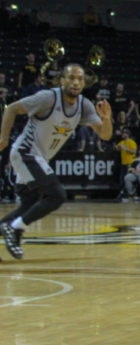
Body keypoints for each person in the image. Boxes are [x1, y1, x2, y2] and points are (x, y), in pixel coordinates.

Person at [0, 64, 112, 260]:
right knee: (57, 195)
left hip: (39, 158)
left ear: (84, 83)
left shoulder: (84, 105)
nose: (76, 82)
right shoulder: (48, 98)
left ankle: (10, 226)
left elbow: (104, 135)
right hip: (25, 153)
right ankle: (14, 229)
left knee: (29, 205)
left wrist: (107, 118)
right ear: (62, 80)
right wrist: (3, 139)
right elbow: (12, 109)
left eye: (80, 79)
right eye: (71, 78)